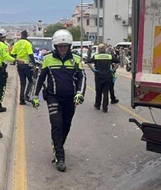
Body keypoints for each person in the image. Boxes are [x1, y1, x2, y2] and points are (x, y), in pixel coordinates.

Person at [32, 29, 86, 172]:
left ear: (69, 46)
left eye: (65, 46)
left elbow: (82, 77)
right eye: (60, 46)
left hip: (70, 98)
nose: (62, 49)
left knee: (66, 125)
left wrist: (80, 94)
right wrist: (35, 96)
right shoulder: (48, 59)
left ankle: (57, 145)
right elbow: (40, 78)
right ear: (55, 46)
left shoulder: (76, 59)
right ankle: (60, 158)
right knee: (56, 124)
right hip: (52, 97)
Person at [86, 43, 120, 112]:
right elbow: (118, 62)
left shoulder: (96, 56)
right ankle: (105, 107)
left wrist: (93, 69)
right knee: (106, 92)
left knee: (98, 91)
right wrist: (113, 70)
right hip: (108, 76)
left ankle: (97, 105)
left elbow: (88, 62)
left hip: (98, 76)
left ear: (99, 49)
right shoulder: (109, 56)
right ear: (105, 49)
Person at [0, 29, 16, 113]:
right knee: (2, 87)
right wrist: (15, 60)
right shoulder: (4, 46)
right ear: (4, 37)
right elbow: (6, 56)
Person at [10, 30, 35, 105]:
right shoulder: (28, 43)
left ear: (21, 35)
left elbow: (12, 54)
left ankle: (21, 100)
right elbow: (30, 54)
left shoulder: (17, 43)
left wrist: (17, 60)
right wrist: (34, 64)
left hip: (19, 65)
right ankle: (26, 95)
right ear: (27, 35)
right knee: (31, 80)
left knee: (22, 82)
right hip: (26, 65)